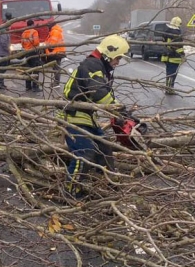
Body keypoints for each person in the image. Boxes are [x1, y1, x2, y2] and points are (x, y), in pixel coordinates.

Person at [57, 34, 130, 199]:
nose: (118, 62)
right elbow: (99, 93)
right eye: (117, 58)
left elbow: (104, 94)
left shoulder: (98, 66)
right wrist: (119, 110)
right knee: (85, 152)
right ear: (108, 53)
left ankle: (107, 184)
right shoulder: (92, 65)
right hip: (73, 116)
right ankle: (70, 191)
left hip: (86, 116)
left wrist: (120, 111)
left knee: (104, 148)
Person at [161, 16, 185, 95]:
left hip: (166, 56)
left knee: (168, 73)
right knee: (173, 74)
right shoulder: (177, 34)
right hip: (174, 57)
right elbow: (178, 47)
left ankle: (167, 88)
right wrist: (183, 55)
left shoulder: (166, 32)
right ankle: (170, 89)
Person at [0, 12, 13, 90]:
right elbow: (4, 42)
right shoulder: (3, 31)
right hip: (1, 53)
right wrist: (8, 49)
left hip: (1, 52)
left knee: (3, 68)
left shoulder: (3, 30)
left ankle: (0, 82)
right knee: (2, 68)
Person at [21, 19, 42, 92]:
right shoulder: (34, 32)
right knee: (36, 69)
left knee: (28, 69)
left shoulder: (24, 33)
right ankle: (35, 87)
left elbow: (22, 44)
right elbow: (36, 42)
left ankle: (28, 86)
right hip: (33, 52)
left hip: (26, 52)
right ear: (32, 24)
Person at [44, 23, 66, 87]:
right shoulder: (54, 31)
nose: (47, 28)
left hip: (56, 53)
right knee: (56, 68)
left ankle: (56, 83)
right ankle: (56, 82)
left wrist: (46, 48)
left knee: (56, 68)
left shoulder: (54, 32)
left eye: (48, 27)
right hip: (57, 52)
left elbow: (52, 45)